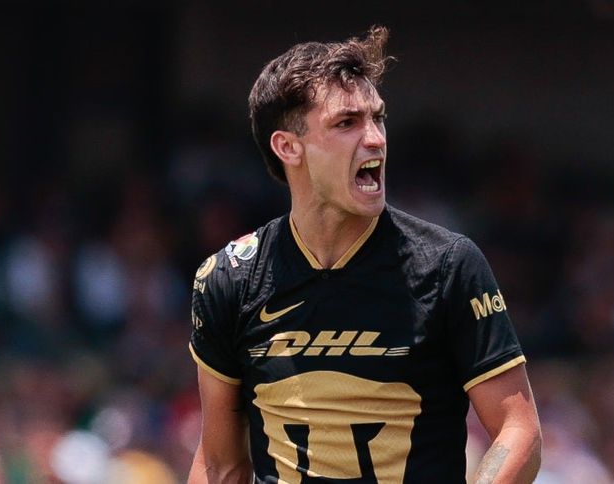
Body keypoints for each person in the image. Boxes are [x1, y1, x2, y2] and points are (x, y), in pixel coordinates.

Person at [187, 26, 542, 484]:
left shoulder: (448, 265)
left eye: (378, 118)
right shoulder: (229, 279)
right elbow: (220, 464)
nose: (375, 138)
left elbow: (519, 430)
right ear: (288, 147)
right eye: (347, 123)